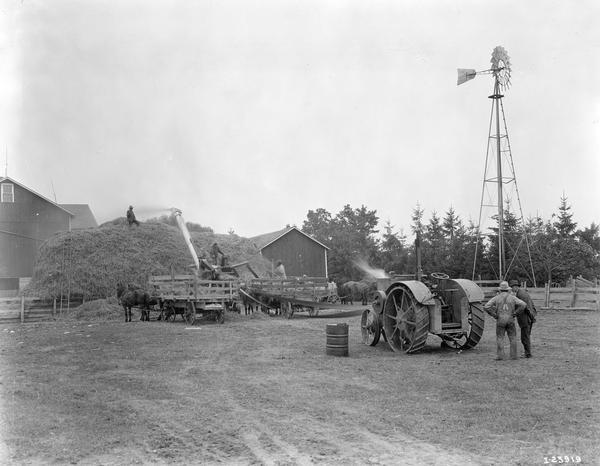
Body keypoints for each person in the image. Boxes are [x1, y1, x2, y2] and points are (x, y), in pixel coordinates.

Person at [484, 281, 527, 360]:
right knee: (512, 337)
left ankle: (500, 356)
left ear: (500, 290)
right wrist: (516, 313)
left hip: (500, 319)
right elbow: (523, 304)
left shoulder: (496, 298)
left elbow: (486, 306)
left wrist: (494, 315)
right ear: (508, 289)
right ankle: (513, 356)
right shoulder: (512, 297)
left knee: (500, 337)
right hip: (510, 318)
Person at [509, 279, 537, 358]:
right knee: (526, 336)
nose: (511, 289)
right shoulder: (522, 293)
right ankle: (527, 352)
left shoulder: (520, 294)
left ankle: (528, 354)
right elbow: (531, 304)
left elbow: (525, 307)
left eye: (512, 287)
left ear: (515, 287)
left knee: (525, 337)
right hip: (529, 317)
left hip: (526, 318)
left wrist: (514, 313)